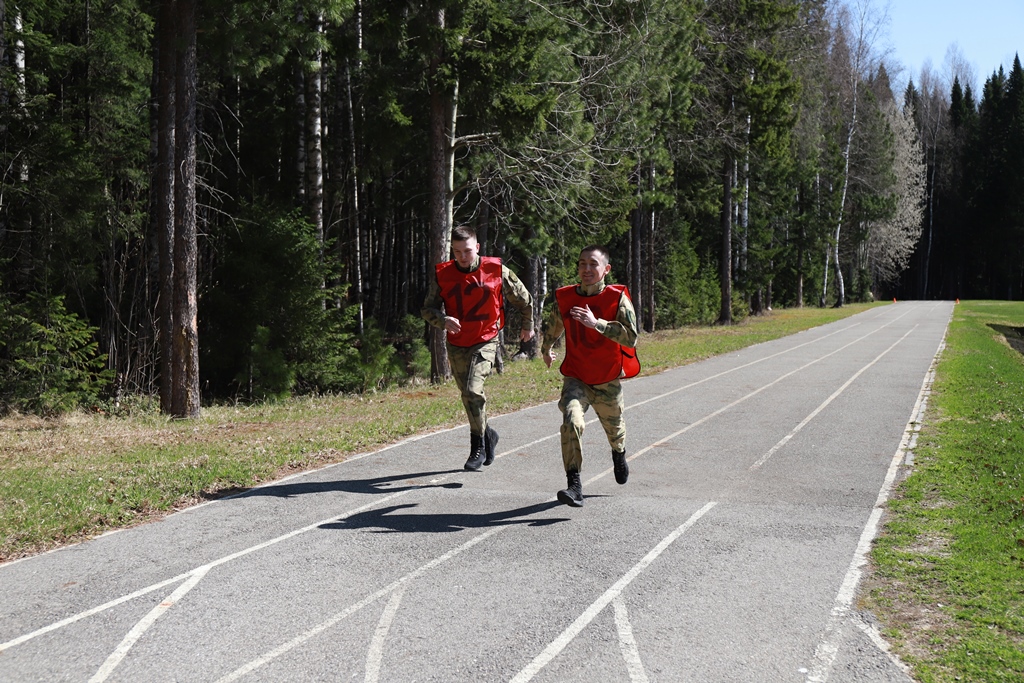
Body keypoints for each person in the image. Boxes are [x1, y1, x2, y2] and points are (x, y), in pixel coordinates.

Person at [422, 225, 536, 471]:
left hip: (486, 339)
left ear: (478, 248)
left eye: (467, 251)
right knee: (468, 397)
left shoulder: (495, 269)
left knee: (474, 389)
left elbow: (525, 299)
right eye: (457, 252)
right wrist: (442, 321)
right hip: (457, 343)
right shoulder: (443, 274)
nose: (463, 256)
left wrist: (528, 325)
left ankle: (477, 447)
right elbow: (427, 309)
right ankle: (488, 435)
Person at [541, 245, 640, 507]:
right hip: (576, 377)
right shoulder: (565, 297)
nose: (586, 269)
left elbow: (631, 337)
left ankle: (619, 455)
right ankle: (574, 484)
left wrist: (596, 323)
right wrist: (546, 349)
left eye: (593, 264)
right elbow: (554, 326)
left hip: (607, 378)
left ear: (605, 269)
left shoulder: (616, 298)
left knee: (615, 433)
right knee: (571, 421)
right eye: (582, 263)